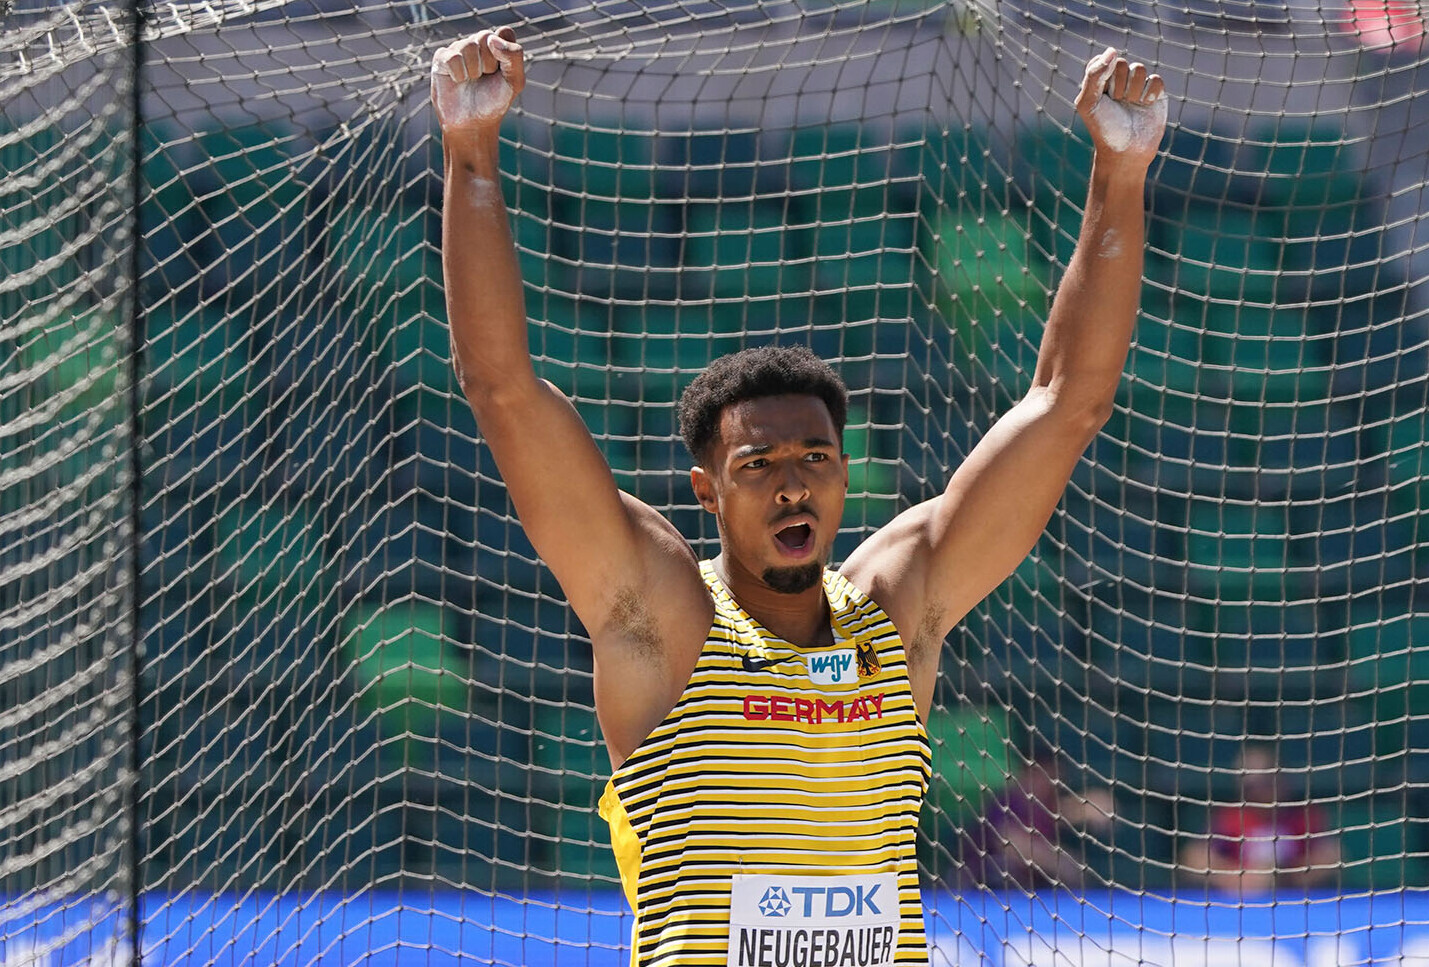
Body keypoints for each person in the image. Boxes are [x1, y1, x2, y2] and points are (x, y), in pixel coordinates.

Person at [429, 25, 1168, 965]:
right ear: (707, 490)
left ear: (845, 475)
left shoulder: (899, 608)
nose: (791, 485)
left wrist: (1122, 172)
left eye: (815, 459)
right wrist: (471, 153)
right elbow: (502, 391)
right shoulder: (661, 613)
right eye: (758, 465)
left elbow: (1069, 405)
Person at [1178, 741, 1341, 895]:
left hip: (1295, 901)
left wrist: (1285, 876)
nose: (1258, 791)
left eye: (1264, 783)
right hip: (1242, 904)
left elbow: (1330, 856)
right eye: (1250, 786)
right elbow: (1194, 857)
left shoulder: (1304, 816)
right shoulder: (1230, 817)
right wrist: (1239, 878)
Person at [960, 739, 1115, 891]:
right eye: (1048, 776)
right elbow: (1011, 844)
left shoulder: (1046, 805)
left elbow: (1071, 810)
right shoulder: (1005, 803)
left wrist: (1093, 805)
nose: (1053, 783)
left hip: (1033, 895)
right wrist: (1059, 862)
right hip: (985, 892)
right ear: (1029, 773)